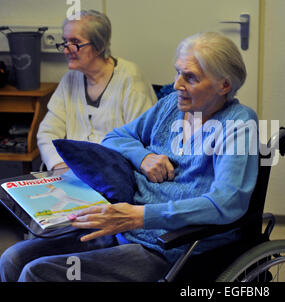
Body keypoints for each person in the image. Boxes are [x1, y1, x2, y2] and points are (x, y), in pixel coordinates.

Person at [0, 32, 259, 282]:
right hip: (122, 225)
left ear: (224, 85)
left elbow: (228, 202)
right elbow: (115, 138)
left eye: (190, 77)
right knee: (12, 258)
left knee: (38, 272)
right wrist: (143, 157)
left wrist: (140, 216)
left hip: (170, 248)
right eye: (178, 71)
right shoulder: (170, 106)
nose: (177, 84)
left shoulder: (238, 124)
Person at [37, 10, 155, 171]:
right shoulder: (70, 80)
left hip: (116, 175)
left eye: (75, 42)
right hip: (70, 173)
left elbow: (143, 140)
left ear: (99, 46)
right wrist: (59, 165)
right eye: (65, 42)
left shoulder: (130, 78)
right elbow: (47, 133)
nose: (66, 50)